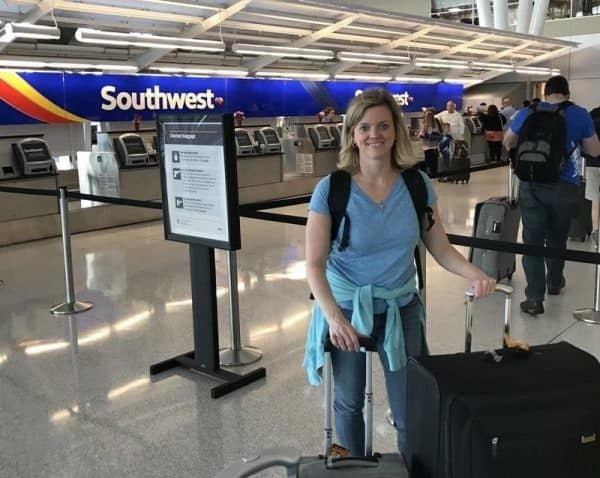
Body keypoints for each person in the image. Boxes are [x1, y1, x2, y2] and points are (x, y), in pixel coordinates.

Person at [303, 88, 496, 456]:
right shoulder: (332, 189)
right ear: (352, 135)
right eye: (364, 127)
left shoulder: (415, 184)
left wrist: (475, 273)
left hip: (400, 306)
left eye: (383, 126)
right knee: (348, 403)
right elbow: (314, 264)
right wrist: (334, 319)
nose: (374, 134)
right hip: (347, 308)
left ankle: (414, 468)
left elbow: (439, 247)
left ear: (395, 132)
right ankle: (354, 468)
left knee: (411, 405)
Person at [503, 75, 600, 315]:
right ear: (567, 93)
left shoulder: (528, 112)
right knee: (557, 238)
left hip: (531, 184)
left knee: (532, 241)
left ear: (546, 93)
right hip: (564, 185)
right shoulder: (579, 114)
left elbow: (508, 142)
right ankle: (554, 283)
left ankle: (534, 298)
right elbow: (594, 150)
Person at [418, 108, 442, 176]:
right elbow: (440, 132)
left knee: (424, 165)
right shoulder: (436, 122)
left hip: (426, 148)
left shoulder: (425, 125)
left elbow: (422, 136)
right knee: (433, 166)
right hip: (435, 147)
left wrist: (420, 135)